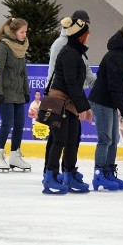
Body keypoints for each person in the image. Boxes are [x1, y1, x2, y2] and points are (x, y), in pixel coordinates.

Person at [42, 18, 93, 194]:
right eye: (86, 33)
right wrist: (83, 108)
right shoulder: (69, 53)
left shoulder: (76, 52)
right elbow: (71, 83)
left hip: (69, 101)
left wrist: (83, 106)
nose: (89, 36)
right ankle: (50, 176)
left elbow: (75, 86)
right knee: (60, 139)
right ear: (80, 36)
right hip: (60, 101)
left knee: (72, 139)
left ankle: (69, 173)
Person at [88, 23, 123, 191]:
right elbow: (115, 84)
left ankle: (109, 171)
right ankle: (99, 174)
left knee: (113, 138)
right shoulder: (117, 56)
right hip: (102, 100)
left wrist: (120, 106)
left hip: (109, 101)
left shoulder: (121, 54)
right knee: (105, 139)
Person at [0, 18, 31, 172]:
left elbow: (23, 71)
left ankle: (14, 156)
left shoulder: (21, 47)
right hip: (4, 93)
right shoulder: (3, 47)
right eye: (22, 32)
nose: (25, 35)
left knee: (19, 124)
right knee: (7, 123)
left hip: (18, 93)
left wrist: (26, 90)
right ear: (13, 32)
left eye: (26, 32)